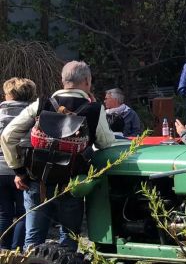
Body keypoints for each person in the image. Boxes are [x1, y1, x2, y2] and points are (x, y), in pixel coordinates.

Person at [1, 61, 116, 251]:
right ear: (87, 81)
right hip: (71, 183)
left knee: (33, 239)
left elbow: (7, 136)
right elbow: (106, 143)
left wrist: (19, 171)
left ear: (62, 81)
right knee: (69, 239)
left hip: (37, 180)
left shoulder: (42, 103)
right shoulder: (94, 109)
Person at [0, 78, 36, 250]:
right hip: (24, 170)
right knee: (24, 214)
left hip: (0, 170)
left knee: (3, 214)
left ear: (10, 94)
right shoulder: (33, 115)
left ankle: (2, 254)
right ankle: (17, 253)